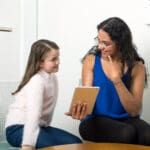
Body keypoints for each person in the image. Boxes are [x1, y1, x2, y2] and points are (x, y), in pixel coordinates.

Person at [79, 17, 150, 146]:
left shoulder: (137, 67)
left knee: (147, 136)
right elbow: (86, 102)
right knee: (127, 133)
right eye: (99, 41)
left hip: (126, 119)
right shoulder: (91, 61)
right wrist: (79, 109)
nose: (100, 47)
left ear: (121, 43)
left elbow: (134, 111)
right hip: (95, 121)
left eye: (106, 43)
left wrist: (117, 80)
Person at [5, 39, 82, 150]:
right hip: (17, 128)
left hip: (40, 126)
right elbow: (33, 115)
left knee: (76, 143)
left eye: (58, 57)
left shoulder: (52, 78)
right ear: (40, 62)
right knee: (58, 148)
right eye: (53, 59)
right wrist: (28, 145)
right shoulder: (36, 81)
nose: (58, 62)